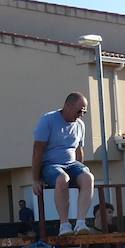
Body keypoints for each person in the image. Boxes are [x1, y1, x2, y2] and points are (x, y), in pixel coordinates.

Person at [32, 92, 95, 235]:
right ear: (68, 106)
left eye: (84, 111)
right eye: (79, 110)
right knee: (62, 179)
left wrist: (80, 173)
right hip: (51, 166)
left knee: (88, 178)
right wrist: (35, 179)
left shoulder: (80, 125)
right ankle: (64, 225)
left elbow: (79, 150)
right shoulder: (48, 120)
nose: (81, 114)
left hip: (71, 164)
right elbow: (37, 150)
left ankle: (80, 223)